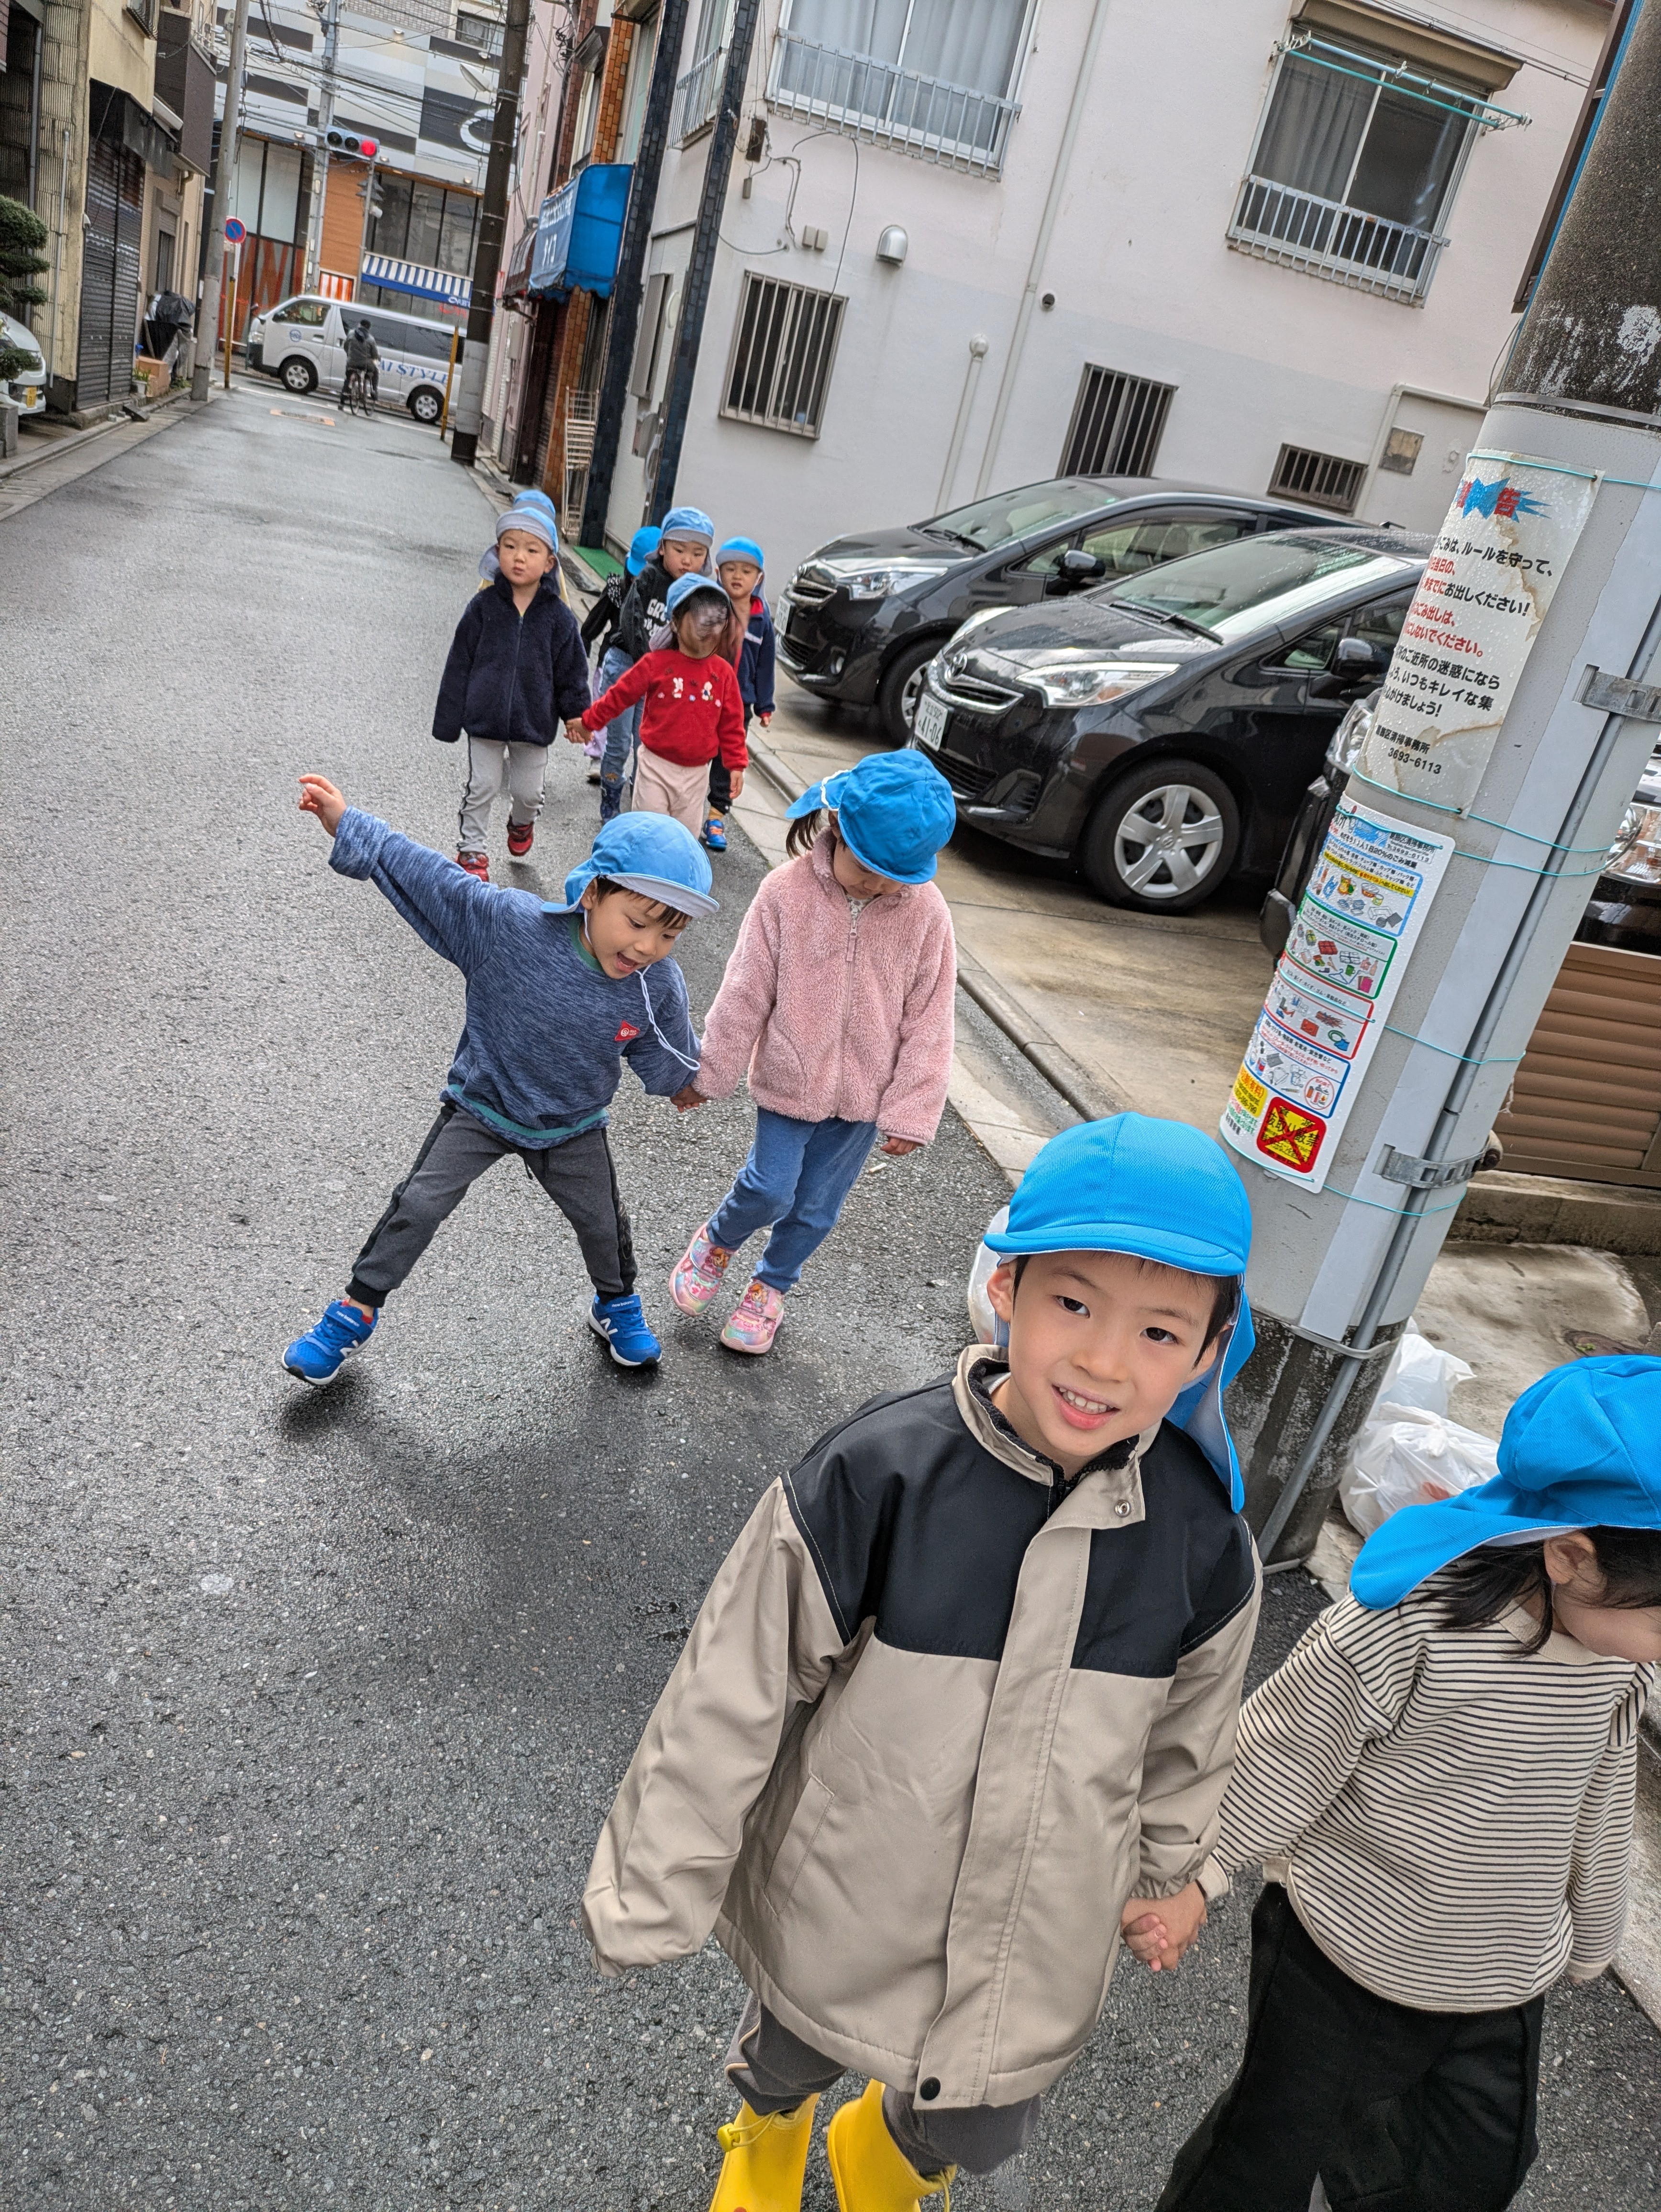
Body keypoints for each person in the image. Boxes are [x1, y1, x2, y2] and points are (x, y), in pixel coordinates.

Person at [584, 1112, 1262, 2212]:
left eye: (1157, 1332)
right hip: (848, 1884)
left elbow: (1193, 1736)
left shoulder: (1200, 1540)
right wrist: (657, 1878)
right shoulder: (881, 1473)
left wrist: (1170, 1869)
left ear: (1208, 1348)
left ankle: (885, 2162)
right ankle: (764, 2141)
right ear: (1008, 1291)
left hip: (1039, 1924)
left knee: (982, 2118)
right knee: (791, 2048)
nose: (1100, 1358)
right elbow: (733, 1687)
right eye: (1073, 1303)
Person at [1154, 1354, 1661, 2212]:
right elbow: (1283, 1750)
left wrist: (1594, 1933)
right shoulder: (1410, 1624)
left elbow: (1600, 1794)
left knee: (1473, 2171)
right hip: (1344, 1954)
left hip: (1501, 1977)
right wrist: (1193, 1875)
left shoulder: (1616, 1665)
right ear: (1571, 1554)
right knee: (1263, 2156)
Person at [281, 792, 717, 1382]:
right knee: (419, 1203)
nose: (646, 947)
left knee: (602, 1223)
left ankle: (614, 1305)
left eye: (669, 935)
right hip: (482, 1104)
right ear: (592, 892)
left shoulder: (654, 981)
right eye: (636, 923)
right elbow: (434, 880)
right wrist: (350, 826)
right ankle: (354, 1311)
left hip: (573, 1124)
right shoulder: (510, 927)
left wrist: (682, 1084)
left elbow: (663, 1043)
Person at [667, 749, 957, 1355]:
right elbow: (745, 990)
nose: (879, 885)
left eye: (896, 876)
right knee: (771, 1188)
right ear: (837, 828)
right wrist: (709, 1074)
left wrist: (911, 1109)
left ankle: (770, 1287)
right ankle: (718, 1241)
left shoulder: (928, 915)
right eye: (868, 866)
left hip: (863, 1096)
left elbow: (931, 1018)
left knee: (816, 1207)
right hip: (789, 1080)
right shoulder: (785, 894)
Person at [435, 506, 589, 879]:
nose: (519, 557)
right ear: (497, 552)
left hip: (533, 722)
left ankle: (521, 824)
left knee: (528, 793)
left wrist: (576, 715)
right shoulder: (483, 608)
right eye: (510, 547)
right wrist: (449, 718)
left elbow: (572, 673)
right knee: (482, 786)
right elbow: (460, 664)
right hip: (485, 719)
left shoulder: (560, 618)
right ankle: (472, 850)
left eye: (531, 550)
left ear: (551, 562)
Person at [571, 574, 747, 836]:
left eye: (716, 622)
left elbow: (732, 724)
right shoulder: (656, 664)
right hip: (655, 766)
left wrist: (736, 764)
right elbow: (618, 696)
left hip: (697, 774)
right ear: (675, 623)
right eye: (700, 620)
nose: (708, 629)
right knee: (648, 833)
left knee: (684, 838)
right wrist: (589, 723)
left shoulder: (723, 673)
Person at [598, 506, 726, 823]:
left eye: (698, 553)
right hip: (626, 665)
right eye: (680, 550)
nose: (688, 560)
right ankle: (611, 801)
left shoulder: (699, 593)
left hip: (665, 680)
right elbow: (631, 619)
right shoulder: (649, 577)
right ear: (663, 548)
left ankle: (641, 807)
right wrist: (652, 664)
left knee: (649, 745)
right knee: (619, 742)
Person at [703, 535, 776, 854]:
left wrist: (765, 704)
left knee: (727, 760)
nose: (737, 576)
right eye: (730, 569)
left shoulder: (762, 618)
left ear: (759, 578)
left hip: (739, 703)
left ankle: (716, 817)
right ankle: (684, 808)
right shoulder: (710, 606)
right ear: (718, 573)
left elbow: (765, 664)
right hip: (704, 694)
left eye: (746, 571)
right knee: (694, 751)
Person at [579, 525, 662, 791]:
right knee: (611, 725)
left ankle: (640, 787)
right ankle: (598, 763)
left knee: (641, 737)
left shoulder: (668, 593)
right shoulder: (617, 588)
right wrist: (582, 655)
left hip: (650, 673)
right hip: (614, 665)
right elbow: (591, 625)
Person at [343, 316, 378, 404]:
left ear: (359, 325)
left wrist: (349, 355)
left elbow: (346, 346)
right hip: (365, 365)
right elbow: (374, 355)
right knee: (376, 371)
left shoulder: (351, 334)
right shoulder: (371, 339)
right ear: (369, 328)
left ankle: (345, 394)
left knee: (348, 376)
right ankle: (374, 391)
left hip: (351, 362)